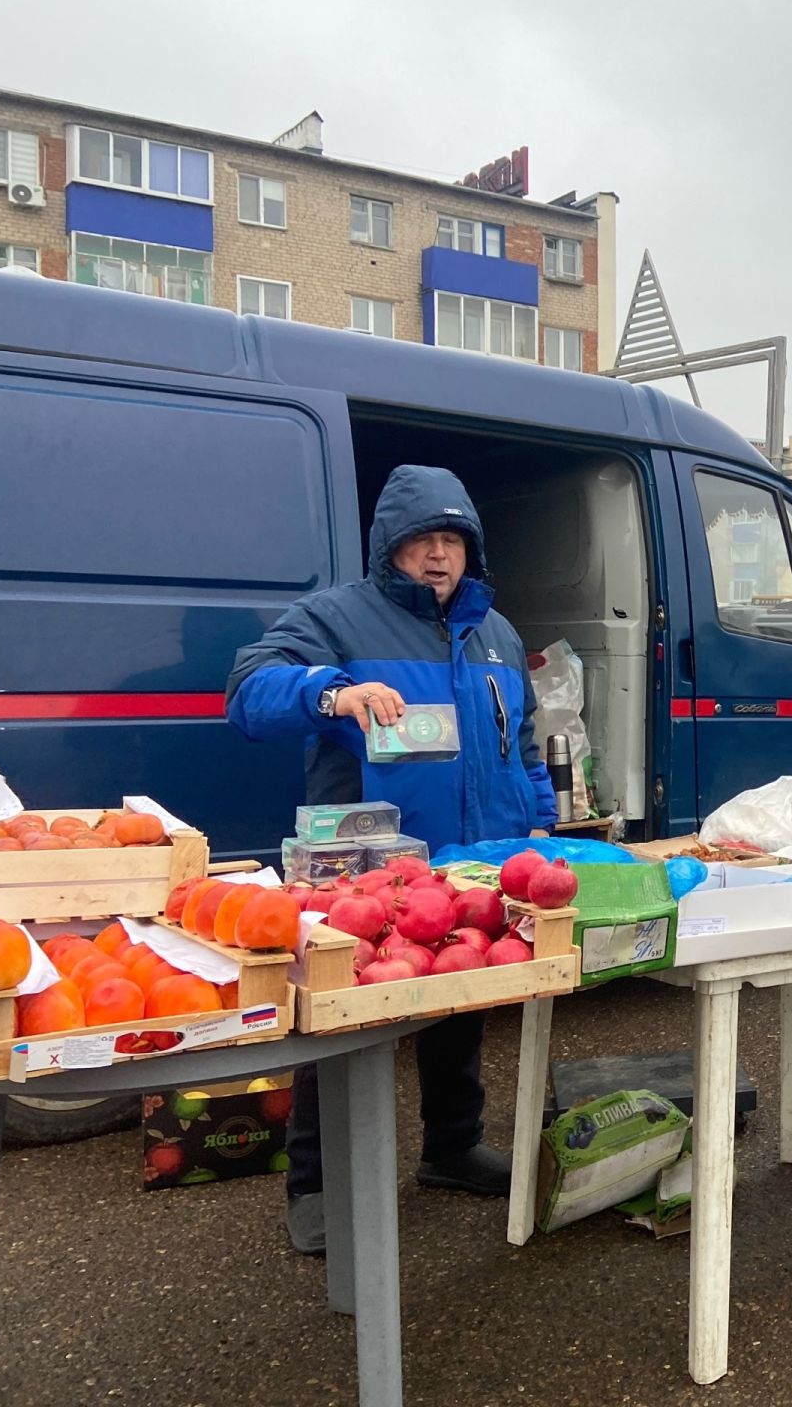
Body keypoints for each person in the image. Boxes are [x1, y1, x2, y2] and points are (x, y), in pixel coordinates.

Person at [226, 464, 558, 1254]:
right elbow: (247, 691)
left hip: (473, 862)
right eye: (420, 541)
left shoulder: (496, 632)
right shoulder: (338, 618)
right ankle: (315, 1184)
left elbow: (527, 744)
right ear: (389, 549)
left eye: (451, 540)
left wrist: (538, 826)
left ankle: (451, 1147)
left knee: (460, 1004)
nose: (438, 556)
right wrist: (329, 694)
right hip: (365, 874)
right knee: (345, 1027)